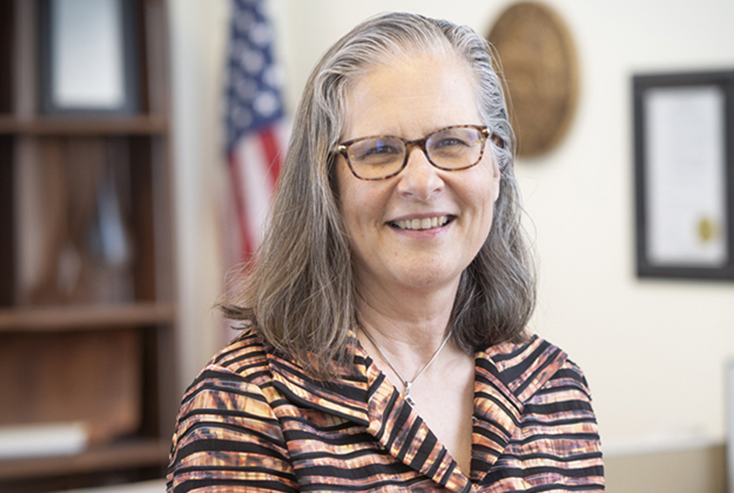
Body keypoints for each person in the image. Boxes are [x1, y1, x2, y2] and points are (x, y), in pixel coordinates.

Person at [167, 12, 603, 492]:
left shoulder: (554, 387)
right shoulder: (243, 403)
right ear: (327, 185)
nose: (421, 182)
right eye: (378, 150)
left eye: (454, 142)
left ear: (496, 169)